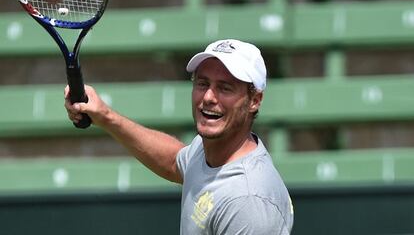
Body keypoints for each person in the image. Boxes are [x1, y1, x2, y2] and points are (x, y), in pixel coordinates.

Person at [65, 39, 294, 234]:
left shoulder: (248, 202)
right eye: (202, 83)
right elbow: (175, 162)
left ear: (255, 100)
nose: (208, 97)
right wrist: (105, 116)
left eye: (225, 88)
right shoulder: (210, 149)